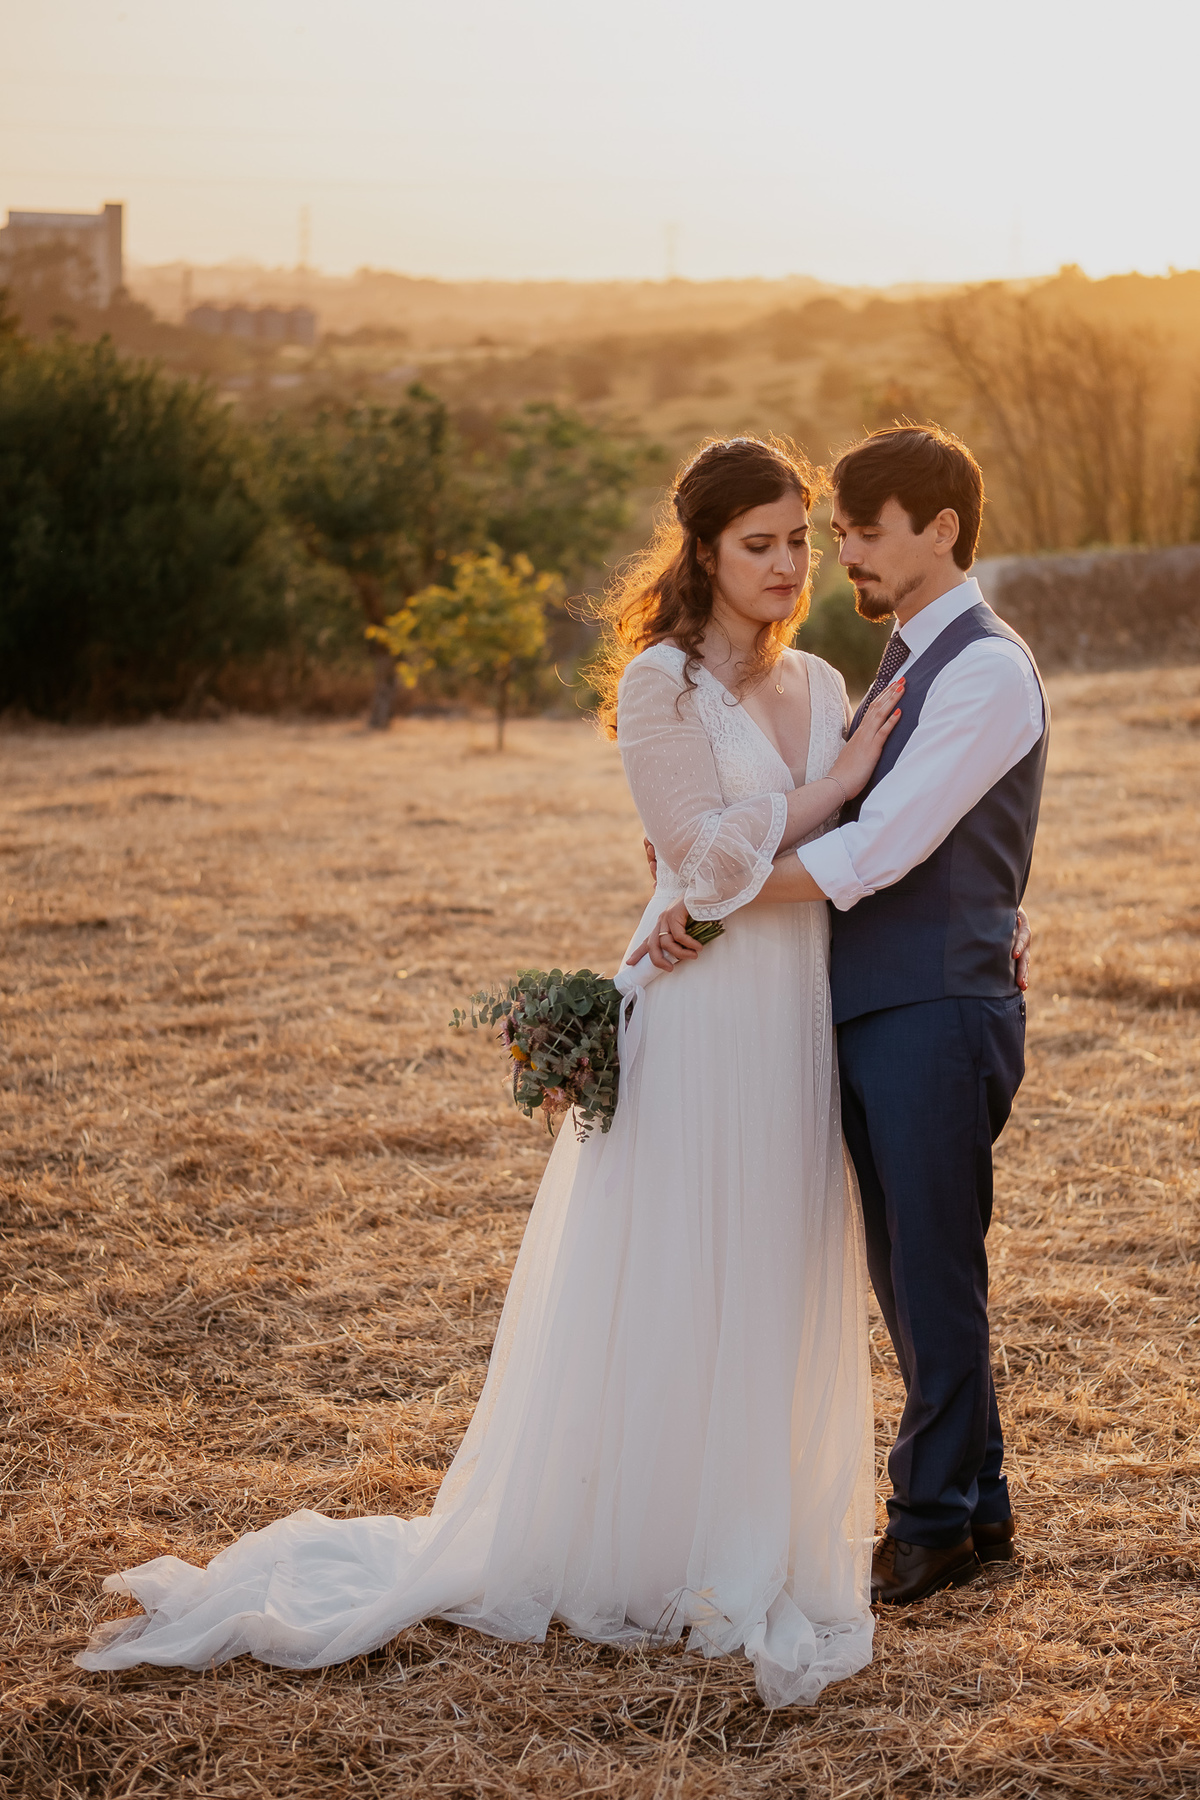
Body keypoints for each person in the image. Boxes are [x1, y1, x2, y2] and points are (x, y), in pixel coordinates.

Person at [77, 437, 904, 1706]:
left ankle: (748, 1538)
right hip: (692, 1005)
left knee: (774, 1249)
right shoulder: (660, 687)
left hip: (790, 1000)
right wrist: (828, 790)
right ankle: (647, 1545)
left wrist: (858, 836)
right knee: (681, 1256)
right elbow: (700, 862)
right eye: (761, 544)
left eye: (800, 540)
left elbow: (832, 848)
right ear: (703, 552)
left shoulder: (829, 683)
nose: (790, 566)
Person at [644, 425, 1045, 1607]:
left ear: (941, 531)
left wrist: (706, 901)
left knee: (930, 1268)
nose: (842, 560)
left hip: (933, 1006)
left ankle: (929, 1525)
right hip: (878, 1005)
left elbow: (884, 846)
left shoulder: (981, 666)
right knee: (913, 1269)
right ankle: (978, 1505)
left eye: (861, 536)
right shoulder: (906, 661)